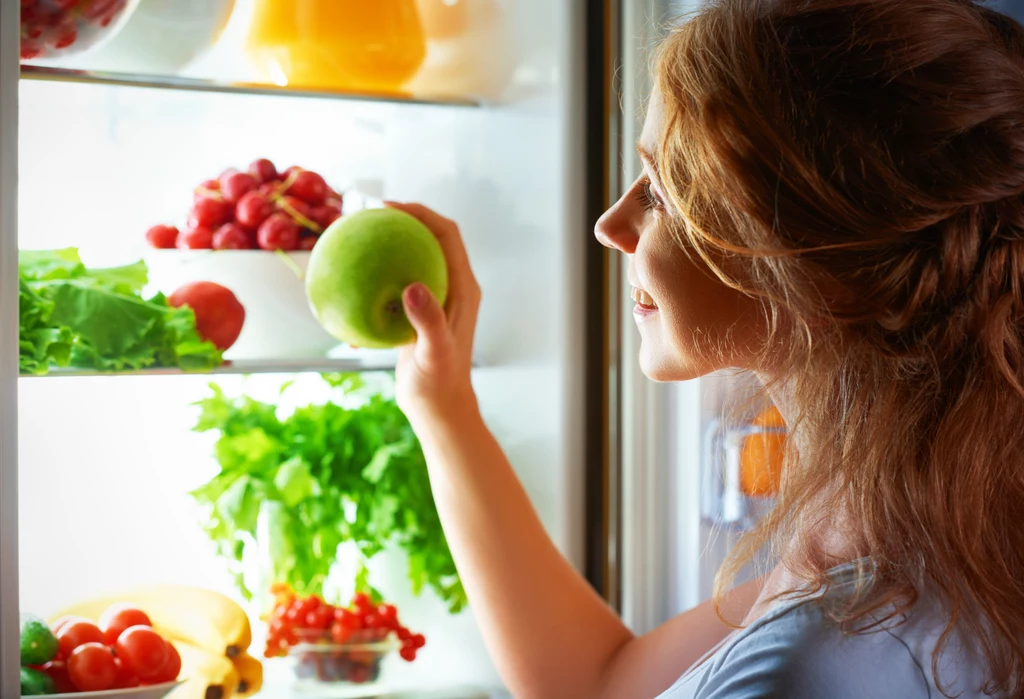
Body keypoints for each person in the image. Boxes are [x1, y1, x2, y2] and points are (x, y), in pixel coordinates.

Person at [385, 0, 1024, 696]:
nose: (610, 225)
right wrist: (444, 408)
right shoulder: (915, 537)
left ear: (808, 252)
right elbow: (600, 682)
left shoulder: (810, 660)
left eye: (659, 191)